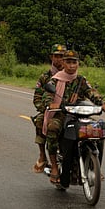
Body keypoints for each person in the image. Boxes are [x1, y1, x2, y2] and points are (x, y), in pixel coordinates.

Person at [42, 50, 105, 188]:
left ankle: (94, 167)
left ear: (78, 64)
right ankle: (54, 165)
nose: (72, 65)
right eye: (68, 62)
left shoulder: (81, 80)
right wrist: (51, 103)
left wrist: (101, 104)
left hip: (80, 114)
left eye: (74, 62)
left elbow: (92, 93)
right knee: (53, 128)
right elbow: (47, 96)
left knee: (97, 130)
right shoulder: (55, 80)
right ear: (63, 63)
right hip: (61, 114)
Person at [31, 44, 66, 173]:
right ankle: (42, 155)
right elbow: (37, 97)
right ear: (51, 57)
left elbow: (87, 92)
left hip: (70, 111)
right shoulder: (46, 77)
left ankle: (92, 165)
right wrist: (46, 108)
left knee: (93, 127)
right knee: (40, 121)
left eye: (62, 56)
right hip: (51, 112)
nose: (60, 59)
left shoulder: (74, 76)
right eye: (57, 56)